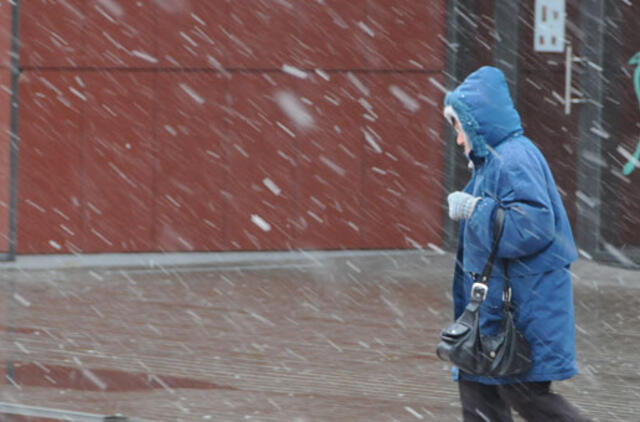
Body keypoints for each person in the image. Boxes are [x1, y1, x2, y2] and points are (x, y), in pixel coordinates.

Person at [444, 66, 592, 421]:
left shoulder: (511, 159)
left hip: (522, 312)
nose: (459, 141)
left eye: (460, 129)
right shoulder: (493, 160)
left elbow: (532, 227)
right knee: (481, 393)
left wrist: (475, 209)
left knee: (526, 398)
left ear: (478, 122)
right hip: (498, 311)